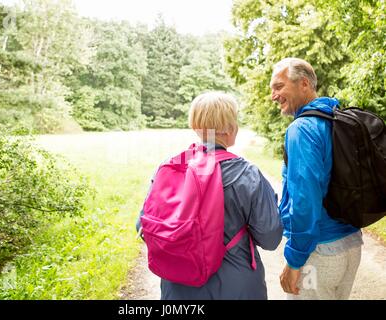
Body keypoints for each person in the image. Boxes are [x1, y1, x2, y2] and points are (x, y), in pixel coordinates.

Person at [136, 91, 283, 299]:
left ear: (195, 125)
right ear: (231, 128)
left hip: (178, 287)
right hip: (236, 287)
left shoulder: (170, 166)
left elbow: (142, 226)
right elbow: (270, 238)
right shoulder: (247, 174)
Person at [270, 57, 364, 300]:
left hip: (320, 253)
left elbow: (305, 201)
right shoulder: (335, 120)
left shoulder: (301, 129)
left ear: (304, 83)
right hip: (351, 245)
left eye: (279, 86)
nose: (273, 96)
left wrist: (294, 261)